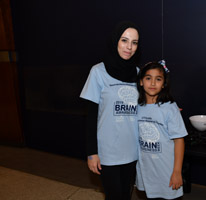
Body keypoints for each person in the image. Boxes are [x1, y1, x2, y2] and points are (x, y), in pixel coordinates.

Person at [80, 21, 141, 200]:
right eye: (124, 40)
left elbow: (143, 109)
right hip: (108, 152)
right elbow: (90, 116)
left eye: (134, 42)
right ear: (115, 41)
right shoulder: (98, 72)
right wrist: (92, 153)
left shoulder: (138, 73)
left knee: (125, 195)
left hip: (131, 150)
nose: (129, 47)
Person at [135, 61, 188, 200]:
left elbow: (179, 140)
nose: (153, 83)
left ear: (164, 84)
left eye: (158, 79)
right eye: (148, 78)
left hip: (166, 170)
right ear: (141, 81)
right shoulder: (137, 107)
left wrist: (177, 171)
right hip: (146, 169)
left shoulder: (169, 108)